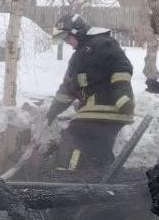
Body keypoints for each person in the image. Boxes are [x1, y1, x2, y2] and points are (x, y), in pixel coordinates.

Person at [45, 13, 136, 173]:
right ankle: (99, 179)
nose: (67, 42)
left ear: (77, 32)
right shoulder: (78, 57)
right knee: (95, 148)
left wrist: (122, 95)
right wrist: (52, 113)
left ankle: (70, 178)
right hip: (95, 111)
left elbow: (121, 67)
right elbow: (67, 90)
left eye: (67, 38)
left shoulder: (103, 44)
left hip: (108, 108)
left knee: (74, 139)